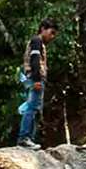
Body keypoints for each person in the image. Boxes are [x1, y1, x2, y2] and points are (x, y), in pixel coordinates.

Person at [17, 18, 59, 149]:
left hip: (34, 78)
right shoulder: (37, 41)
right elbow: (35, 60)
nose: (52, 37)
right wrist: (36, 80)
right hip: (35, 78)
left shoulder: (38, 43)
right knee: (31, 108)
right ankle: (24, 138)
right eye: (51, 32)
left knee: (34, 109)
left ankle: (29, 138)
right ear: (43, 29)